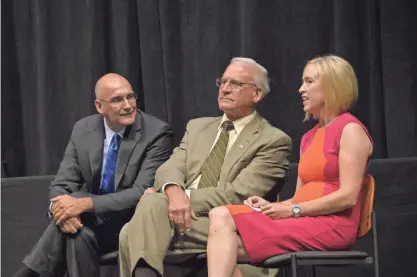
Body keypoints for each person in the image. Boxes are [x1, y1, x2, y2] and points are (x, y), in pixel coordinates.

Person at [118, 57, 292, 277]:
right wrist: (173, 191)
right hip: (181, 217)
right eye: (223, 82)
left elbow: (239, 194)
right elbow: (169, 168)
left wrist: (183, 198)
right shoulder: (198, 127)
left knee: (134, 229)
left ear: (256, 94)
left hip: (229, 227)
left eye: (236, 84)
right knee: (140, 221)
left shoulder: (273, 140)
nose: (225, 89)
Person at [205, 55, 374, 277]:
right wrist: (270, 206)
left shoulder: (350, 130)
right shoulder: (308, 137)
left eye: (309, 82)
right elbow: (299, 197)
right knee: (220, 217)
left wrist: (291, 210)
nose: (301, 89)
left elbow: (348, 197)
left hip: (333, 225)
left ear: (334, 85)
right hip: (303, 219)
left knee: (223, 247)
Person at [12, 73, 174, 277]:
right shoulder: (83, 129)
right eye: (117, 99)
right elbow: (62, 183)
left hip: (131, 223)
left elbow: (140, 192)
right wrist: (60, 211)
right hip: (89, 222)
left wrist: (84, 204)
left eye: (131, 96)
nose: (128, 105)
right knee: (76, 232)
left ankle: (26, 273)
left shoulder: (157, 133)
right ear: (99, 106)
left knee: (77, 208)